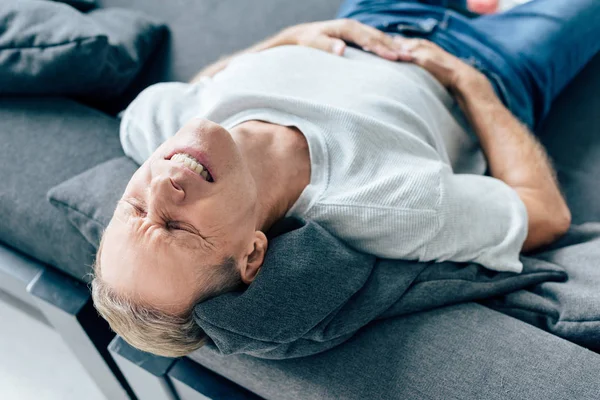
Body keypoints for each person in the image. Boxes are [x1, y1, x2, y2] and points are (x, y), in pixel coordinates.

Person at [92, 0, 599, 357]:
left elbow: (208, 80)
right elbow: (545, 214)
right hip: (488, 61)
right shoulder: (389, 207)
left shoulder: (152, 122)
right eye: (177, 228)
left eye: (133, 209)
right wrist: (470, 84)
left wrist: (290, 39)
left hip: (371, 16)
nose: (161, 186)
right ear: (251, 254)